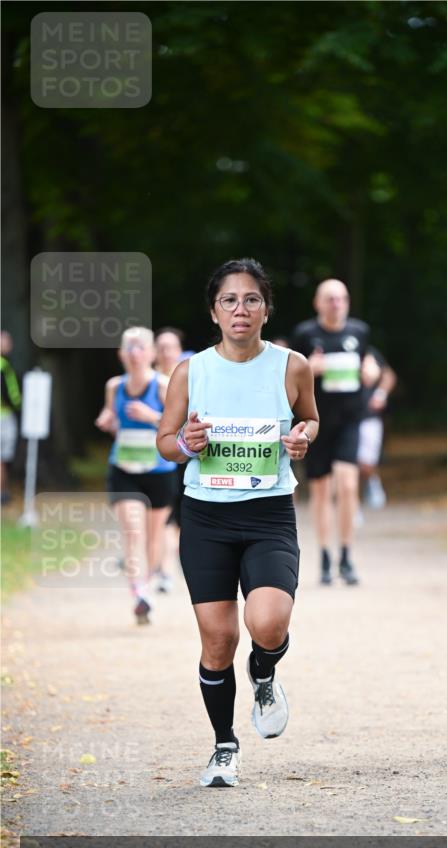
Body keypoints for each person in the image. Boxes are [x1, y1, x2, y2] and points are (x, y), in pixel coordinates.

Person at [157, 258, 318, 788]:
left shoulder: (291, 366)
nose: (241, 309)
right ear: (214, 311)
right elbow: (166, 441)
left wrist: (302, 438)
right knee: (219, 639)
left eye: (251, 299)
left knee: (268, 623)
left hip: (269, 513)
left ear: (266, 310)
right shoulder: (192, 370)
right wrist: (185, 444)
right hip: (205, 517)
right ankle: (224, 745)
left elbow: (309, 418)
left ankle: (265, 672)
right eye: (230, 300)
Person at [290, 279, 373, 585]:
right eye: (330, 299)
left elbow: (370, 364)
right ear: (318, 303)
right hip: (315, 421)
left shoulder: (359, 332)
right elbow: (289, 377)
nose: (336, 304)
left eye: (341, 299)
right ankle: (325, 555)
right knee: (322, 490)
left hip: (350, 419)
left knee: (349, 486)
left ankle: (347, 555)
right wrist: (309, 369)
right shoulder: (305, 334)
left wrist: (371, 371)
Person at [95, 326, 177, 624]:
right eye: (128, 347)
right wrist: (109, 420)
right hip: (124, 470)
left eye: (140, 346)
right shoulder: (114, 386)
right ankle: (139, 592)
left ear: (152, 353)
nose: (134, 352)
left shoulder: (163, 386)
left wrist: (152, 416)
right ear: (121, 354)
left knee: (153, 538)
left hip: (159, 472)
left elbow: (177, 427)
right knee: (132, 530)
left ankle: (148, 588)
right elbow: (113, 418)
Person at [154, 327, 188, 592]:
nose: (166, 352)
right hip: (152, 459)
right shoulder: (147, 379)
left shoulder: (190, 376)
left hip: (182, 456)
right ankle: (163, 569)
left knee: (177, 516)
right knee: (164, 517)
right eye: (161, 347)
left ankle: (169, 564)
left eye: (170, 347)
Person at [358, 347, 397, 510]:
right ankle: (352, 504)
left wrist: (380, 395)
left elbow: (388, 375)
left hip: (368, 416)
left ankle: (372, 481)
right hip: (342, 418)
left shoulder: (368, 352)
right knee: (346, 464)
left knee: (366, 463)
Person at [0, 331, 21, 505]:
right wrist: (19, 407)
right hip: (4, 417)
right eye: (6, 341)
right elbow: (12, 394)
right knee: (2, 458)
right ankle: (2, 493)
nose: (9, 344)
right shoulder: (3, 365)